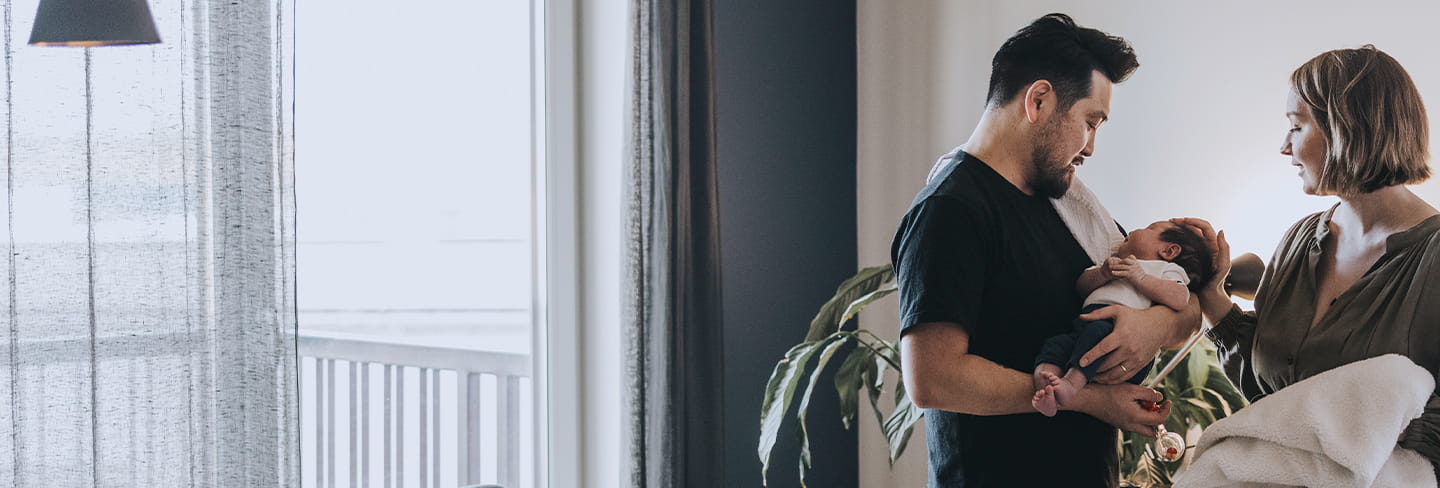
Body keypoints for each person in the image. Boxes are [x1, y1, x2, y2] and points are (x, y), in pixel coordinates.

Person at [891, 13, 1201, 488]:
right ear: (1038, 100)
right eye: (1090, 122)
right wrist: (1092, 399)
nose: (1092, 147)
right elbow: (933, 379)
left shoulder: (1067, 207)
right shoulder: (951, 212)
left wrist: (1151, 326)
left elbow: (1180, 310)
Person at [1175, 44, 1440, 478]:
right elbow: (1274, 394)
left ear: (1348, 128)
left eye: (1297, 127)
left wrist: (1377, 427)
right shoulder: (1299, 240)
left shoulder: (1432, 258)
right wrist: (1211, 295)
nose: (1284, 146)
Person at [1032, 221, 1214, 417]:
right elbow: (1081, 286)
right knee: (1056, 345)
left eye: (1149, 229)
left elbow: (1180, 299)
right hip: (1084, 327)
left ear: (1169, 251)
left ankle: (1070, 385)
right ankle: (1046, 388)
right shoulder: (1114, 261)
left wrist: (1141, 278)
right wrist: (1102, 273)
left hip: (1114, 332)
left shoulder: (1163, 270)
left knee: (1096, 336)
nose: (1135, 229)